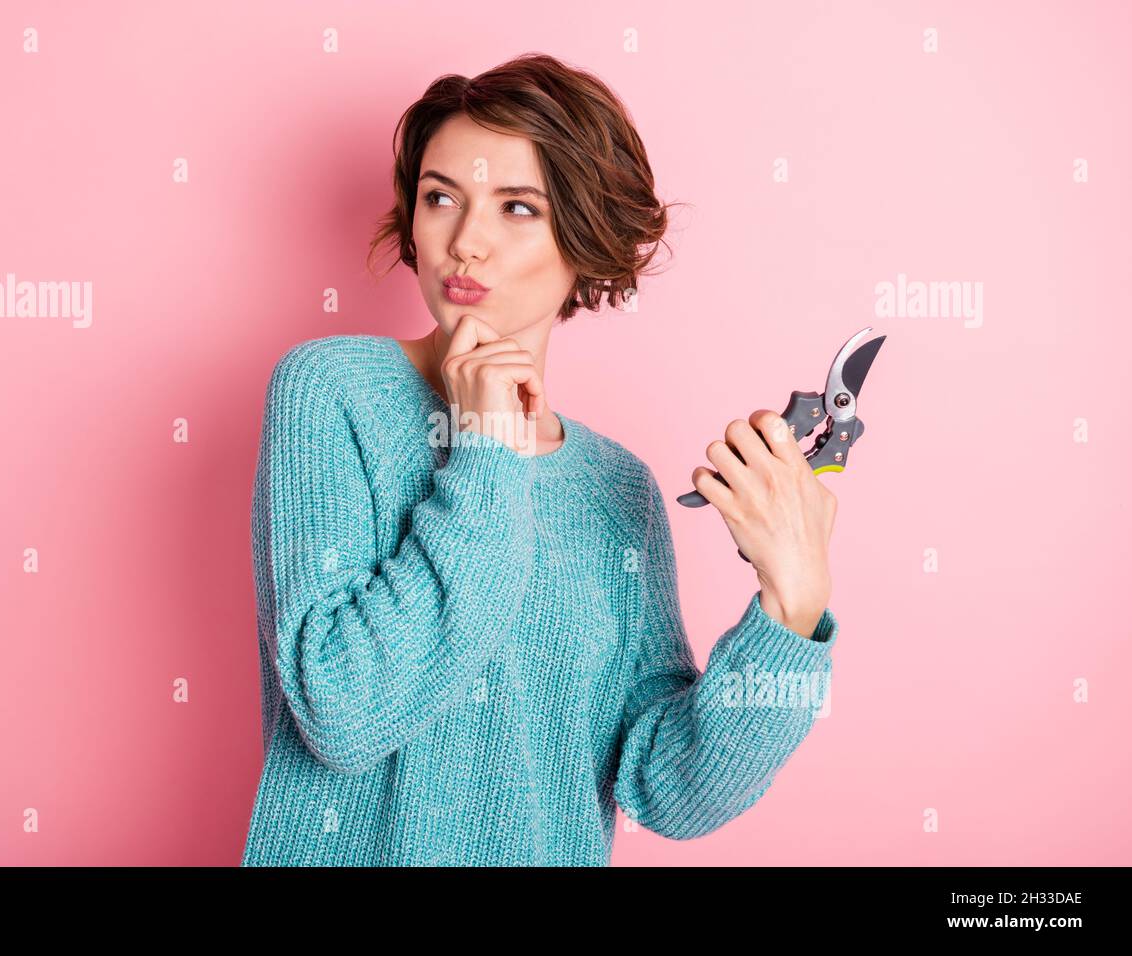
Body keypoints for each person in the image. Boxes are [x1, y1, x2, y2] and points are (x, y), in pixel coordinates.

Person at [241, 53, 839, 867]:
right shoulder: (333, 391)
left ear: (586, 239)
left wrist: (791, 605)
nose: (466, 241)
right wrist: (488, 453)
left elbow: (669, 789)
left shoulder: (617, 488)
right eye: (440, 196)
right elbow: (344, 713)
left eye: (517, 207)